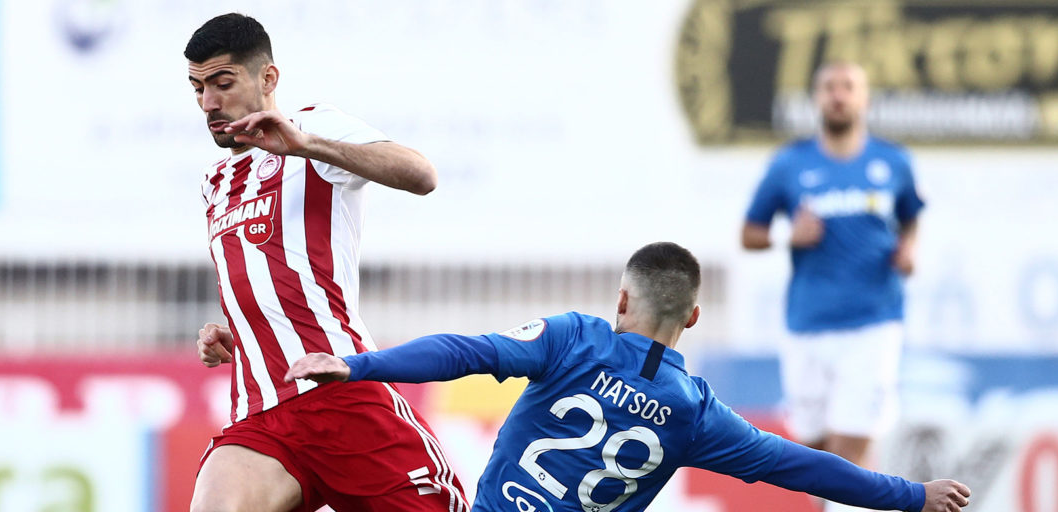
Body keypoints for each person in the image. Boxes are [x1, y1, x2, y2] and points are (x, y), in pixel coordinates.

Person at [288, 242, 969, 512]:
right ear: (693, 316)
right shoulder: (694, 413)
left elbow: (466, 352)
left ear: (621, 299)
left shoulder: (572, 339)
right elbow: (800, 467)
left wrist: (359, 364)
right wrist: (912, 496)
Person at [184, 13, 467, 512]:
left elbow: (422, 175)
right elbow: (271, 274)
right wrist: (245, 333)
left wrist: (306, 145)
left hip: (340, 394)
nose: (209, 103)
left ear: (268, 78)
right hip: (261, 412)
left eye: (222, 84)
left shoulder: (313, 127)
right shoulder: (216, 181)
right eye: (198, 88)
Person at [740, 61, 924, 481]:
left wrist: (909, 249)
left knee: (848, 449)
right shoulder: (790, 164)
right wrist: (788, 236)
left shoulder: (893, 161)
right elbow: (750, 233)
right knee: (816, 451)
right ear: (816, 98)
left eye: (848, 87)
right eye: (829, 87)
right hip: (807, 323)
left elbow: (911, 217)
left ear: (865, 99)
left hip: (873, 322)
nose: (838, 95)